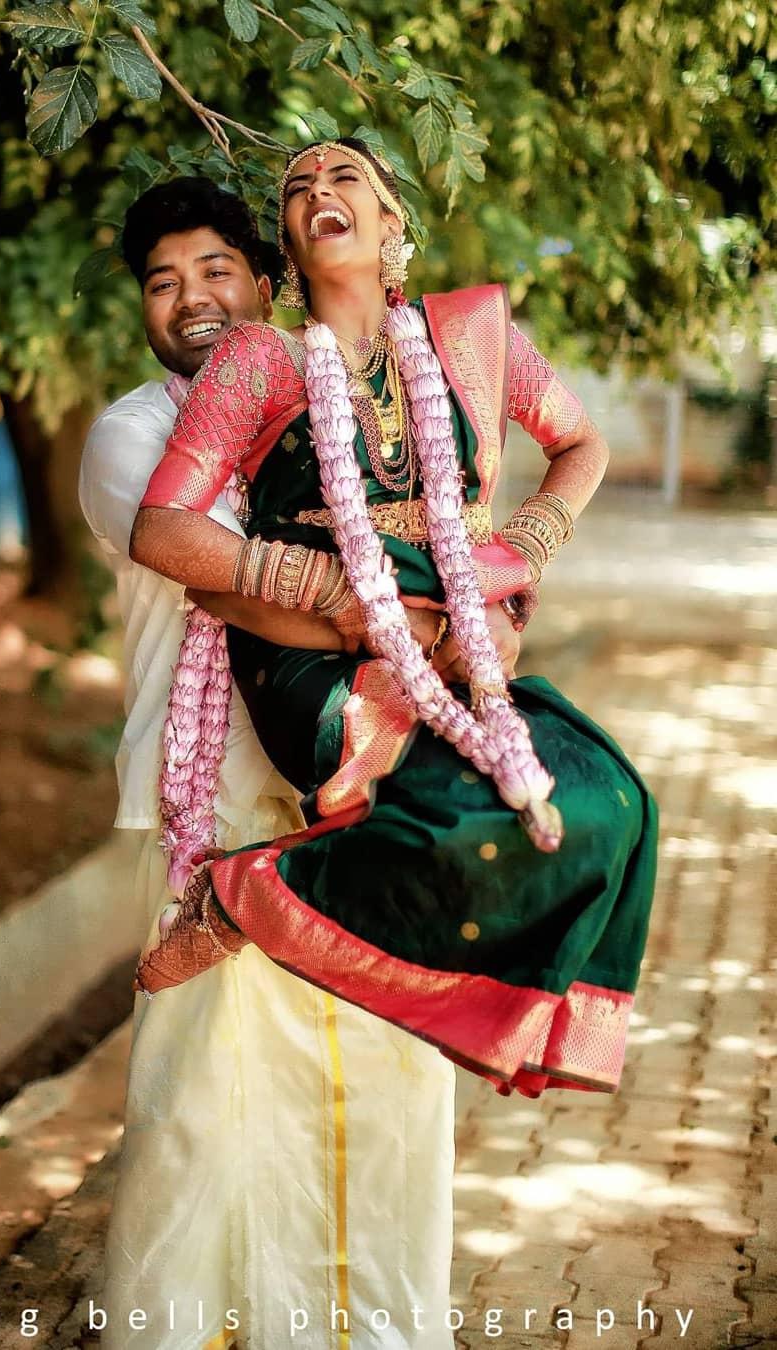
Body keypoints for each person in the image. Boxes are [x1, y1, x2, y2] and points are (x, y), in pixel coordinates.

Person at [130, 139, 659, 1102]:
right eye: (296, 189)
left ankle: (504, 1012)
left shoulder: (471, 343)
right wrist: (340, 596)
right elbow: (162, 530)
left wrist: (520, 555)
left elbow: (583, 442)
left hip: (454, 649)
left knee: (610, 801)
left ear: (391, 224)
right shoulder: (259, 360)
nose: (317, 192)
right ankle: (238, 898)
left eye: (343, 181)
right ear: (287, 245)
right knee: (460, 821)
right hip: (314, 667)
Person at [79, 178, 472, 1348]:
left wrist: (459, 606)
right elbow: (210, 566)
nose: (191, 300)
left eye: (215, 272)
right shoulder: (132, 436)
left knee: (388, 1098)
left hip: (367, 793)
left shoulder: (356, 398)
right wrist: (378, 612)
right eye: (163, 282)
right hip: (218, 817)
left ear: (264, 282)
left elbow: (449, 535)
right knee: (203, 1119)